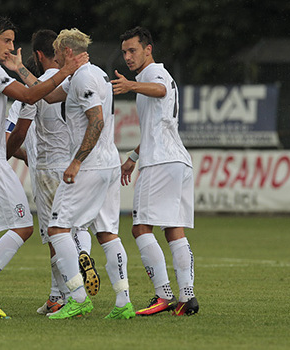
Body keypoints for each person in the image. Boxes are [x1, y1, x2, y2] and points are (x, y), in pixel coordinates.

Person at [0, 15, 86, 319]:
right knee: (22, 226)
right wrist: (65, 70)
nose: (12, 47)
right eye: (7, 41)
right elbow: (30, 95)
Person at [24, 28, 134, 320]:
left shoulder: (84, 78)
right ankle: (124, 303)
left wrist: (75, 162)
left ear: (67, 52)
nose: (55, 56)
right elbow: (48, 96)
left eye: (58, 52)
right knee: (108, 233)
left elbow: (95, 121)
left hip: (90, 165)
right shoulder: (90, 74)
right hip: (108, 163)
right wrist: (19, 69)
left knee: (57, 229)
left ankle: (77, 297)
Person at [112, 26, 198, 316]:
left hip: (161, 162)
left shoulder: (151, 74)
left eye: (133, 50)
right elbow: (157, 123)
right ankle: (187, 296)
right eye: (124, 51)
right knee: (174, 229)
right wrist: (134, 156)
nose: (128, 56)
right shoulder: (155, 75)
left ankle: (163, 294)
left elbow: (159, 89)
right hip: (175, 159)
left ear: (148, 49)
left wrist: (131, 86)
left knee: (140, 227)